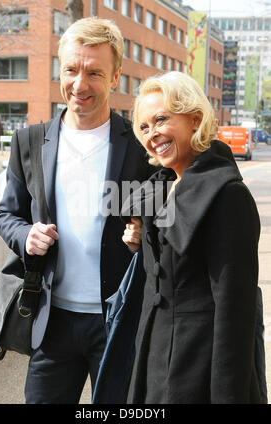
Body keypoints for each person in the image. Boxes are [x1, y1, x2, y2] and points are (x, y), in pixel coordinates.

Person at [0, 17, 151, 404]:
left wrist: (142, 237)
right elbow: (6, 214)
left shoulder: (139, 146)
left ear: (115, 78)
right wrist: (25, 235)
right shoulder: (30, 141)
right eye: (71, 70)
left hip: (118, 321)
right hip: (53, 321)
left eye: (95, 72)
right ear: (59, 70)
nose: (80, 85)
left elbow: (160, 221)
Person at [121, 71, 264, 403]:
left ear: (195, 119)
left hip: (199, 369)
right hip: (153, 354)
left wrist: (226, 395)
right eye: (144, 127)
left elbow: (235, 313)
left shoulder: (226, 195)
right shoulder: (162, 186)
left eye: (161, 119)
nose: (152, 133)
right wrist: (139, 242)